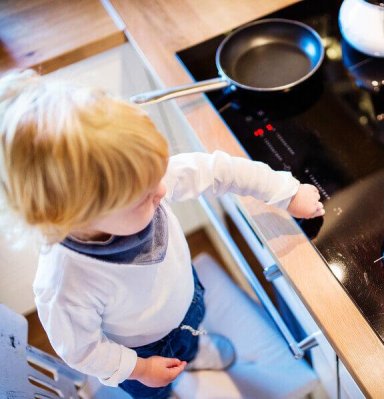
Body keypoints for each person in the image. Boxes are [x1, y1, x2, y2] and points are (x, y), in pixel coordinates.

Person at [0, 69, 324, 398]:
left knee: (190, 335)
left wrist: (285, 192)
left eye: (158, 173)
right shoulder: (65, 281)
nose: (163, 188)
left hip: (185, 296)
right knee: (155, 389)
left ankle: (194, 352)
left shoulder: (139, 180)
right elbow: (82, 350)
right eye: (143, 197)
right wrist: (140, 370)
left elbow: (218, 170)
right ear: (76, 215)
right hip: (140, 351)